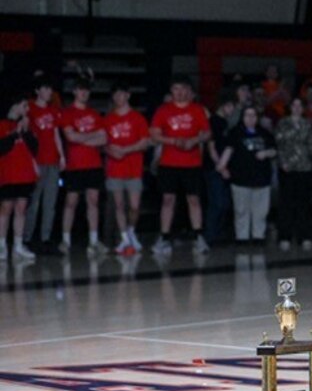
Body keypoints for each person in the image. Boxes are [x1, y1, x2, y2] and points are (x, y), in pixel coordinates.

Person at [149, 74, 211, 255]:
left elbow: (207, 133)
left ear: (189, 92)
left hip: (192, 163)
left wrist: (194, 140)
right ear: (171, 91)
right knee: (168, 199)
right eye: (176, 89)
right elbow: (154, 133)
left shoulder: (197, 110)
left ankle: (199, 237)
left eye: (183, 89)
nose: (180, 93)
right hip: (169, 162)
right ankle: (164, 237)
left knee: (193, 199)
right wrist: (173, 141)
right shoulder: (163, 110)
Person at [58, 79, 108, 256]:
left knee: (93, 201)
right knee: (71, 202)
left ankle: (94, 241)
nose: (83, 93)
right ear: (74, 92)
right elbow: (71, 137)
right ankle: (65, 240)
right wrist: (90, 137)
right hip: (75, 165)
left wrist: (83, 137)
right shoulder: (67, 113)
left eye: (86, 90)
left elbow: (103, 139)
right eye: (80, 90)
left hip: (94, 164)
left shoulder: (94, 114)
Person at [217, 106, 277, 244]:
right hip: (240, 178)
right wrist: (222, 167)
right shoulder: (235, 132)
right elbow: (228, 150)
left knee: (260, 211)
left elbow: (274, 150)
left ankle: (258, 236)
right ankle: (242, 237)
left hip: (261, 178)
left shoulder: (264, 133)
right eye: (247, 115)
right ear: (242, 117)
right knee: (241, 210)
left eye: (253, 115)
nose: (250, 119)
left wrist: (266, 153)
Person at [102, 83, 150, 255]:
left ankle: (130, 231)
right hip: (115, 169)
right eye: (115, 95)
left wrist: (125, 150)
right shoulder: (107, 119)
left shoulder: (137, 118)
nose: (118, 98)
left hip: (133, 168)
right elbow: (103, 144)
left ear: (128, 96)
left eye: (121, 94)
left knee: (135, 207)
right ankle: (124, 238)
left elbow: (144, 142)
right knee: (119, 204)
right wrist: (111, 151)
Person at [273, 98, 312, 251]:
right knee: (286, 203)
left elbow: (311, 144)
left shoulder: (307, 124)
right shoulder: (283, 123)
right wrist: (282, 162)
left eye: (299, 105)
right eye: (294, 105)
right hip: (288, 167)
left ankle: (305, 235)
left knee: (304, 203)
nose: (296, 108)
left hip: (305, 167)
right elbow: (279, 144)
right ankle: (285, 236)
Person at [23, 75, 64, 251]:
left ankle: (45, 237)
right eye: (45, 89)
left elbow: (55, 134)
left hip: (52, 160)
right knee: (34, 201)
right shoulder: (30, 109)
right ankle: (26, 237)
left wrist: (62, 155)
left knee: (50, 201)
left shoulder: (53, 110)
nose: (48, 92)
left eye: (50, 89)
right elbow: (26, 135)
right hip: (37, 160)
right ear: (38, 91)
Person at [0, 95, 38, 260]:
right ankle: (1, 246)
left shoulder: (27, 125)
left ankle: (18, 245)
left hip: (25, 173)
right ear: (15, 106)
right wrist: (15, 133)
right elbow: (2, 148)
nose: (27, 109)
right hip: (8, 174)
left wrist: (26, 131)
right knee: (5, 209)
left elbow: (35, 148)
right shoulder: (2, 124)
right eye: (24, 105)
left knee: (21, 208)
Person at [203, 94, 235, 246]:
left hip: (223, 167)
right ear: (223, 105)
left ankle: (218, 234)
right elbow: (211, 147)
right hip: (214, 168)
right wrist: (220, 167)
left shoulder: (225, 122)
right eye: (230, 106)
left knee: (224, 203)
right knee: (217, 203)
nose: (232, 110)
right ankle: (210, 235)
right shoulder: (214, 122)